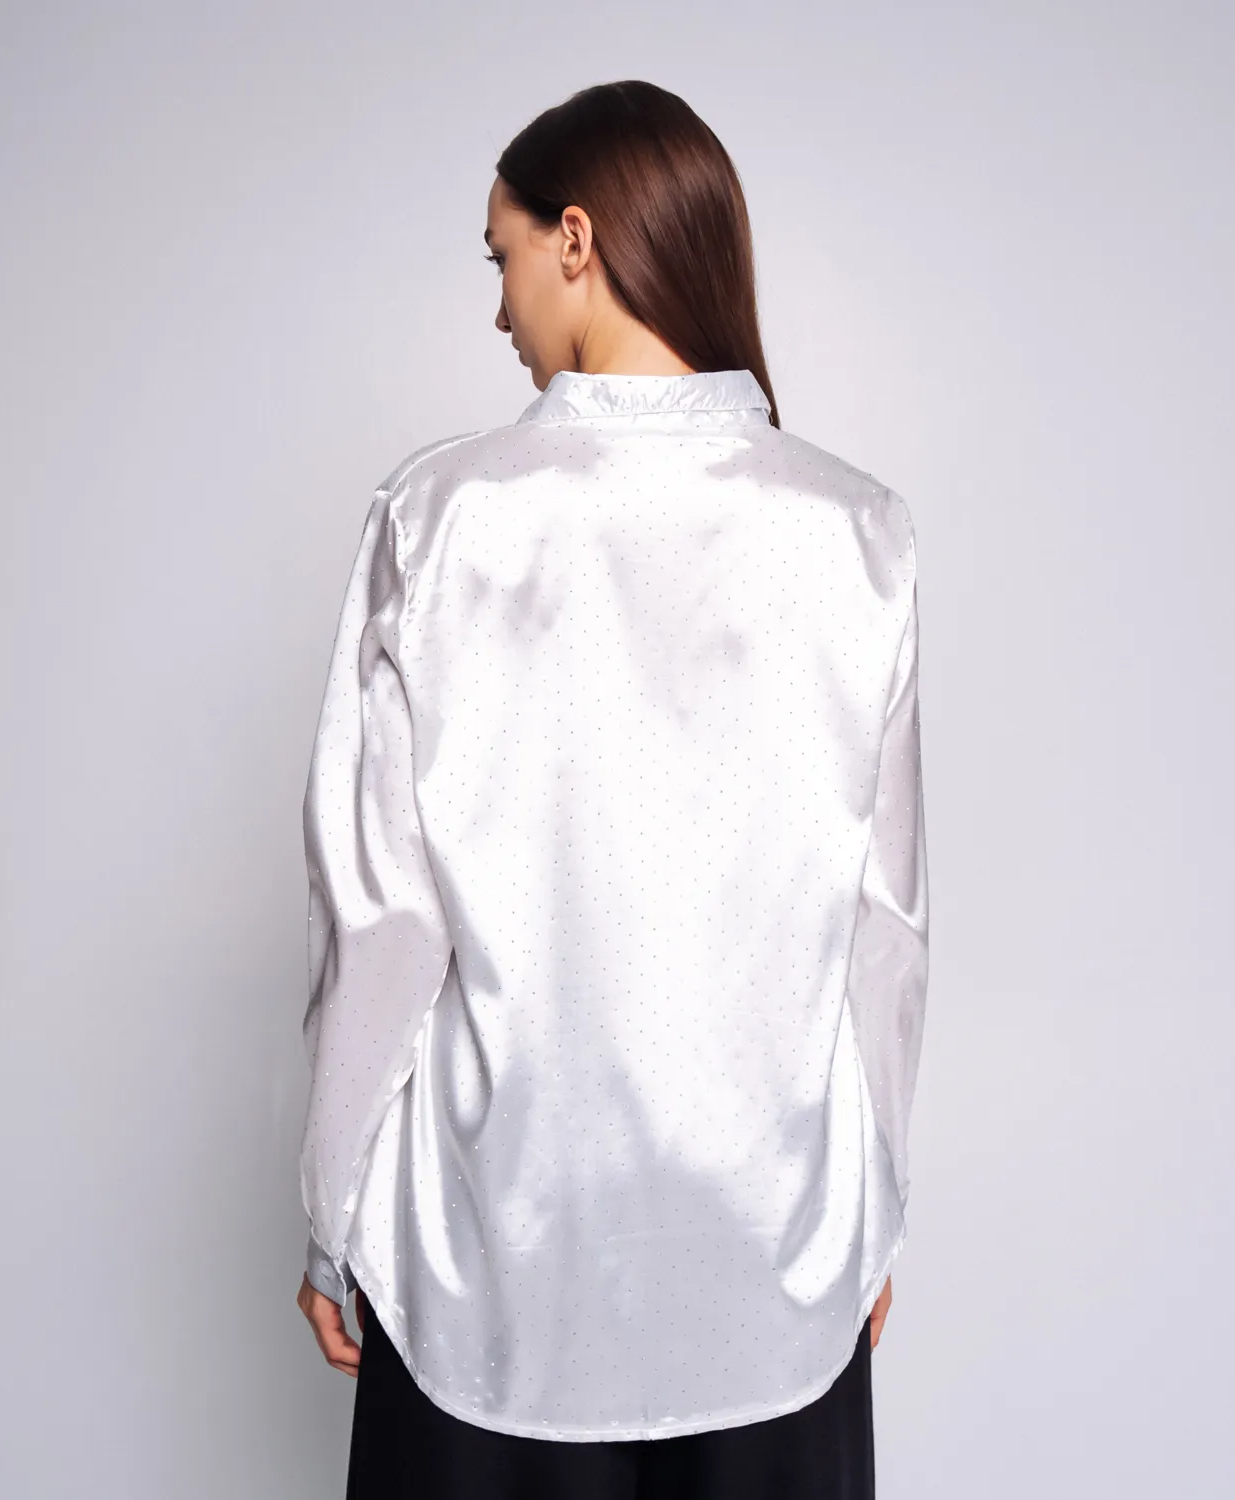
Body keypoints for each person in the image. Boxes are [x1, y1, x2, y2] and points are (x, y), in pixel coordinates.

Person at [295, 79, 929, 1500]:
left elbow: (382, 922)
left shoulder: (439, 517)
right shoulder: (860, 530)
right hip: (778, 1271)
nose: (499, 307)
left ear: (575, 238)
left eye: (502, 255)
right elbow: (883, 927)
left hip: (487, 1271)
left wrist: (332, 1216)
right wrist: (874, 1205)